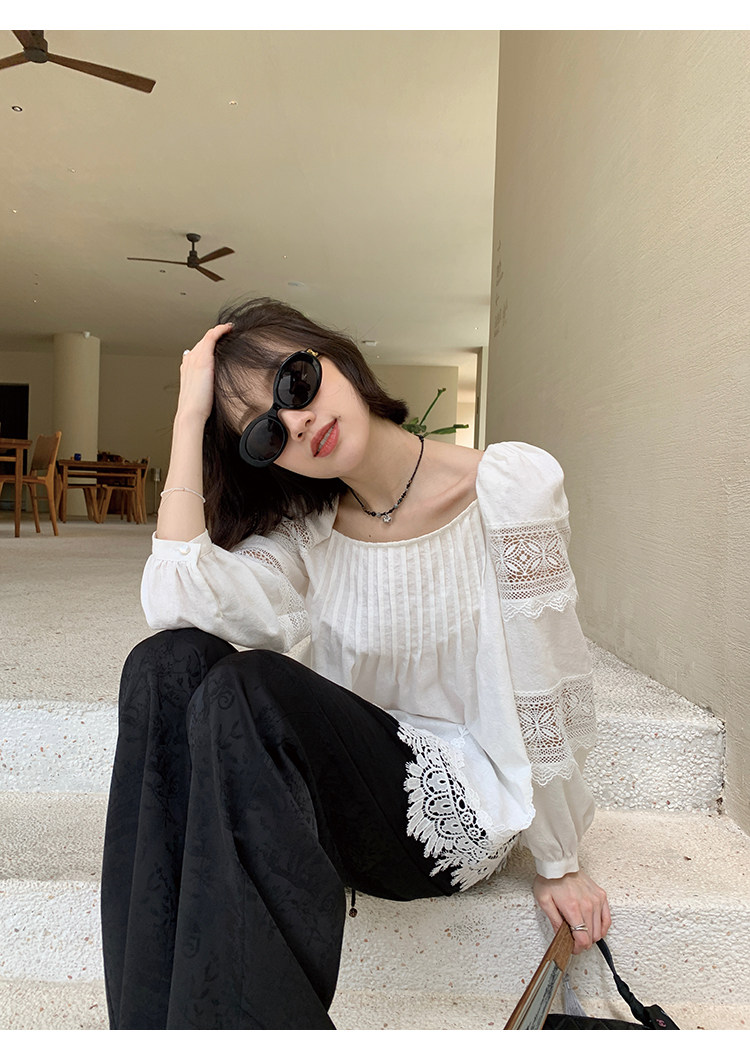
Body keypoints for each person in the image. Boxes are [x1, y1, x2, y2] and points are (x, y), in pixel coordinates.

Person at [100, 296, 611, 1030]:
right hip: (339, 800)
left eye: (295, 382)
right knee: (163, 665)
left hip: (451, 811)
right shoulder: (308, 534)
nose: (297, 422)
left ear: (335, 357)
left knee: (250, 687)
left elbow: (545, 681)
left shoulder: (507, 492)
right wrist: (189, 419)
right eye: (265, 432)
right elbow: (174, 601)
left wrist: (559, 860)